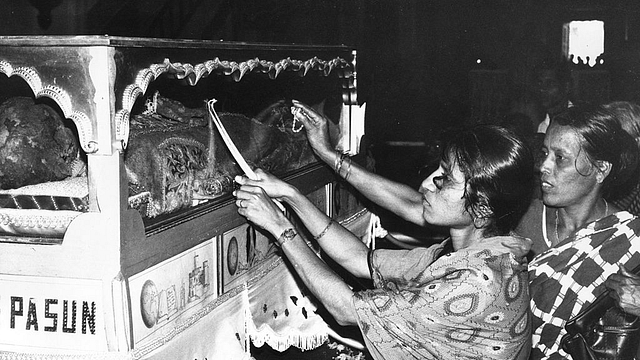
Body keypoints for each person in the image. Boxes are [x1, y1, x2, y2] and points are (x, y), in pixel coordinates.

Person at [233, 101, 535, 359]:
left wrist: (279, 225)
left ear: (481, 209)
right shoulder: (476, 254)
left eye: (445, 180)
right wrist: (291, 195)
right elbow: (360, 260)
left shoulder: (473, 283)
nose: (428, 183)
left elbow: (345, 309)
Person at [515, 104, 640, 359]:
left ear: (601, 169)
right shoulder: (521, 219)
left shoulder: (631, 237)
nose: (543, 167)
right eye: (544, 153)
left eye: (559, 158)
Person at [531, 59, 573, 134]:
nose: (542, 89)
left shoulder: (577, 124)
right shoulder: (542, 126)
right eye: (540, 83)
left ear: (566, 87)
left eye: (549, 84)